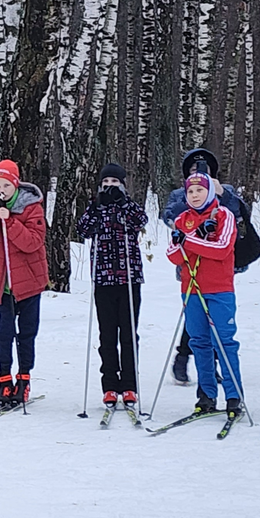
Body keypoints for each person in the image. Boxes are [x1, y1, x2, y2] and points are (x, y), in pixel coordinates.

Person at [162, 148, 251, 386]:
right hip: (190, 268)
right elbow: (171, 218)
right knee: (195, 324)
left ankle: (222, 375)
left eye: (204, 170)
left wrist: (222, 194)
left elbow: (241, 213)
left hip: (220, 269)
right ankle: (189, 362)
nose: (198, 175)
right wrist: (192, 231)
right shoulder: (180, 194)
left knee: (219, 325)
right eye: (193, 169)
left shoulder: (226, 191)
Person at [0, 159, 48, 410]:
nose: (1, 190)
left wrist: (11, 222)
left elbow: (32, 243)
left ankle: (23, 379)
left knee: (26, 333)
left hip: (28, 283)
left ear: (15, 185)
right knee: (4, 333)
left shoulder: (32, 208)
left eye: (6, 185)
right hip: (2, 284)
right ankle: (4, 378)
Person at [76, 163, 148, 407]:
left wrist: (123, 202)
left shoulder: (128, 207)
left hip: (128, 278)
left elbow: (141, 220)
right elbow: (83, 229)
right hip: (103, 279)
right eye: (105, 184)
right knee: (107, 334)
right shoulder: (96, 207)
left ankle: (129, 385)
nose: (109, 188)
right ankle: (109, 385)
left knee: (128, 333)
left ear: (123, 185)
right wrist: (97, 206)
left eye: (114, 184)